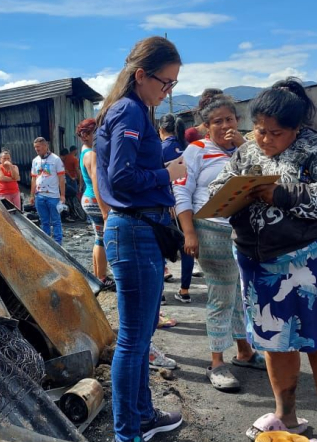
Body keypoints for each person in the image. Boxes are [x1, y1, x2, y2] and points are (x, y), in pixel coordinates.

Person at [210, 78, 317, 442]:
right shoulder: (247, 151)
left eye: (276, 133)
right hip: (258, 262)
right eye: (259, 130)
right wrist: (229, 195)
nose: (265, 139)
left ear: (296, 128)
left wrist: (282, 194)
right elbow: (219, 185)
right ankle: (286, 416)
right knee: (275, 343)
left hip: (313, 261)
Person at [95, 36, 187, 442]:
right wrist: (168, 174)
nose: (167, 93)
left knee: (141, 334)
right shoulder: (130, 111)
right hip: (134, 230)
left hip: (136, 229)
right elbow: (122, 179)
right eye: (165, 84)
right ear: (141, 76)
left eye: (173, 86)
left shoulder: (130, 110)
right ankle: (129, 432)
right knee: (133, 340)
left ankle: (143, 416)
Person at [173, 94, 265, 392]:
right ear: (205, 127)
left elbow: (265, 174)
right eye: (218, 121)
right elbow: (181, 193)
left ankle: (244, 351)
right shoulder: (196, 150)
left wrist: (241, 145)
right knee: (221, 294)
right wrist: (189, 232)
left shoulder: (248, 148)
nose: (225, 125)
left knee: (238, 293)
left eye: (230, 119)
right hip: (211, 229)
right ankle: (216, 362)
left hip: (244, 232)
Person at [77, 118, 114, 290]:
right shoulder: (91, 154)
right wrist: (105, 210)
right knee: (102, 239)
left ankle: (98, 274)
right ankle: (102, 277)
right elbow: (96, 180)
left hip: (89, 198)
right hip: (94, 199)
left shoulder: (84, 152)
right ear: (85, 135)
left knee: (98, 239)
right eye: (95, 133)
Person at [158, 113, 190, 287]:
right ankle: (185, 290)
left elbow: (159, 178)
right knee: (187, 244)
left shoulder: (159, 149)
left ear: (161, 129)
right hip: (188, 202)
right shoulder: (188, 148)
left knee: (160, 242)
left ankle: (161, 289)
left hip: (168, 203)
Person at [30, 137, 66, 245]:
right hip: (40, 196)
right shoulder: (35, 161)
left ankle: (58, 243)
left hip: (53, 196)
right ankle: (47, 243)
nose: (36, 149)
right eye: (35, 147)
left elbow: (61, 179)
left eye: (38, 147)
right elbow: (33, 178)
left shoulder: (56, 159)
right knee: (44, 221)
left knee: (56, 221)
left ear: (46, 146)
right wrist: (32, 195)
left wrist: (62, 195)